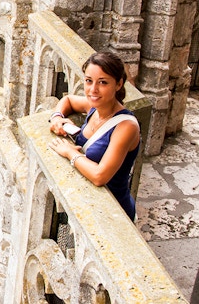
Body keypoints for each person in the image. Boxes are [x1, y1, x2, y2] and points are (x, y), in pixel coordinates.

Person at [48, 51, 140, 220]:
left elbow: (100, 176)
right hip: (90, 203)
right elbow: (67, 101)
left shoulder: (127, 126)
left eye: (103, 82)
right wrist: (57, 117)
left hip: (115, 211)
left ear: (118, 84)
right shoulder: (95, 107)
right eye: (89, 81)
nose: (93, 89)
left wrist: (70, 152)